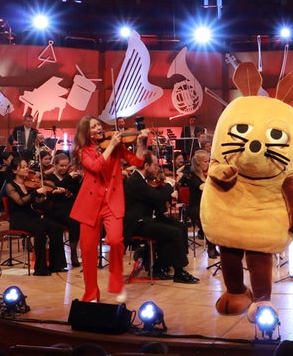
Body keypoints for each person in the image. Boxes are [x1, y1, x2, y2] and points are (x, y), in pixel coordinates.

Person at [70, 116, 147, 303]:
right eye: (93, 126)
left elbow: (137, 162)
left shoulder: (115, 145)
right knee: (88, 251)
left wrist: (139, 143)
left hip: (112, 201)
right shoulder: (83, 150)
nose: (98, 128)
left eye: (98, 124)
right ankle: (90, 294)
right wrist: (112, 145)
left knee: (115, 240)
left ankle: (116, 284)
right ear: (86, 133)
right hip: (90, 204)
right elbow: (95, 167)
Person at [124, 151, 199, 284]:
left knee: (181, 227)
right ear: (146, 166)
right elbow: (156, 196)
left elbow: (157, 202)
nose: (157, 168)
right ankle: (179, 271)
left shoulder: (144, 180)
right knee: (173, 232)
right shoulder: (135, 181)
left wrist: (166, 195)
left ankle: (161, 265)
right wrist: (169, 186)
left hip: (149, 219)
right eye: (155, 165)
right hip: (138, 223)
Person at [4, 157, 66, 276]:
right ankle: (40, 268)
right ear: (14, 171)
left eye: (26, 166)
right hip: (18, 219)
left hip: (31, 217)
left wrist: (45, 196)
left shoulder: (30, 184)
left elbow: (36, 202)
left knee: (56, 227)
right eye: (22, 167)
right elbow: (21, 202)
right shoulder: (10, 186)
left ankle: (56, 265)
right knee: (40, 229)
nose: (26, 169)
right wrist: (35, 193)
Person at [43, 153, 82, 267]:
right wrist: (69, 178)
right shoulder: (50, 178)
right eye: (61, 166)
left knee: (76, 220)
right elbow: (57, 186)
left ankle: (74, 251)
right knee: (73, 220)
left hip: (70, 208)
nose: (64, 168)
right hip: (56, 210)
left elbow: (76, 192)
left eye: (66, 165)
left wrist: (79, 179)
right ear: (54, 165)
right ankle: (72, 254)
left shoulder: (72, 178)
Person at [180, 150, 217, 258]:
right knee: (208, 219)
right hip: (195, 207)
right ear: (198, 162)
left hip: (207, 206)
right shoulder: (190, 175)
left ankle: (213, 246)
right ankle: (211, 247)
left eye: (208, 161)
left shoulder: (207, 173)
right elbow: (202, 187)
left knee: (216, 218)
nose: (208, 163)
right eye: (205, 161)